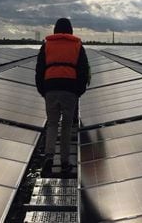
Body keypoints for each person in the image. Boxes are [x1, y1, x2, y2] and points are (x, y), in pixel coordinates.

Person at [35, 18, 90, 176]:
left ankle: (48, 158)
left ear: (55, 30)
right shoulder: (77, 46)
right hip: (70, 89)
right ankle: (65, 162)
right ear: (70, 30)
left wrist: (43, 90)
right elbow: (83, 70)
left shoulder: (47, 45)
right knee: (66, 127)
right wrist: (78, 90)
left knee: (52, 124)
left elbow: (39, 70)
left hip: (51, 88)